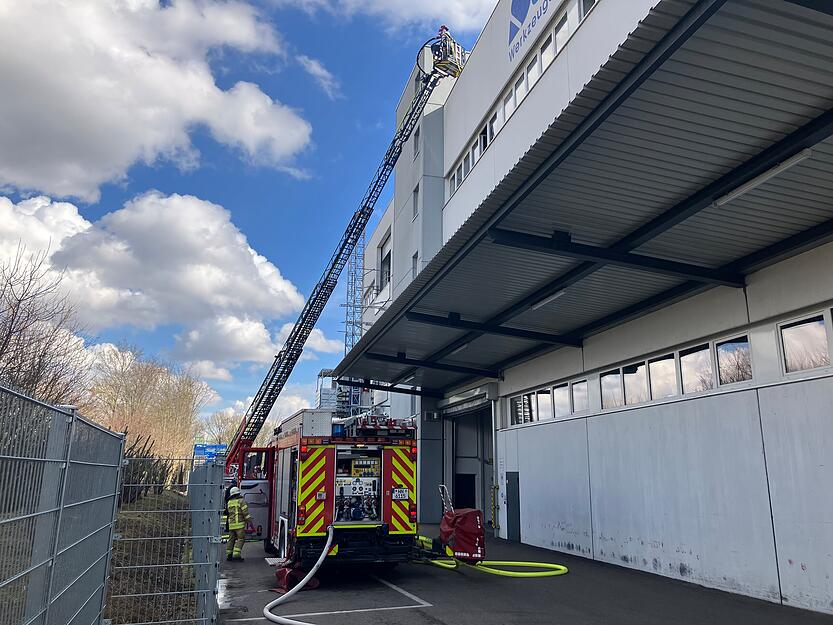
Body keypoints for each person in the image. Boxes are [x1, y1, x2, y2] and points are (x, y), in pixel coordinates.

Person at [225, 486, 252, 561]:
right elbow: (245, 513)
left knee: (231, 540)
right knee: (241, 539)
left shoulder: (229, 502)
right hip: (239, 525)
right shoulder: (241, 501)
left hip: (231, 525)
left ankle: (229, 555)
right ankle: (236, 555)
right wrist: (249, 522)